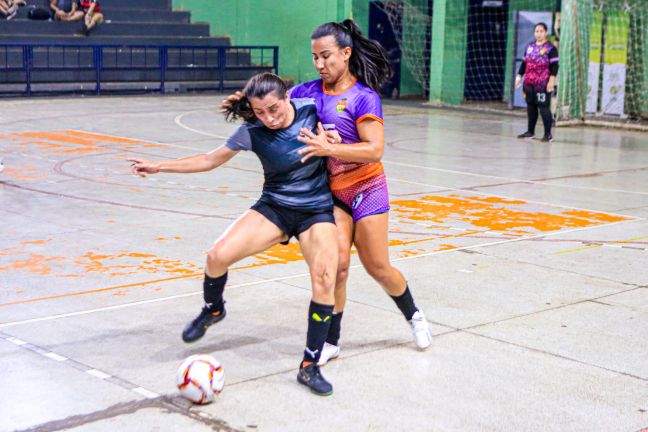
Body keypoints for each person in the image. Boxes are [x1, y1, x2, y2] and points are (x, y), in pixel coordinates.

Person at [129, 73, 339, 396]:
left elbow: (343, 127)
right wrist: (159, 167)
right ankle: (214, 309)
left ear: (287, 97)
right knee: (217, 256)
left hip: (315, 209)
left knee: (325, 277)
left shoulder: (312, 109)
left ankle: (309, 366)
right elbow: (208, 160)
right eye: (260, 112)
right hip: (276, 207)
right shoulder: (251, 132)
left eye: (274, 109)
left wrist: (335, 143)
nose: (268, 118)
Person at [271, 20, 433, 365]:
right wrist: (246, 101)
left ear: (345, 54)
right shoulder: (306, 92)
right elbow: (276, 107)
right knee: (339, 265)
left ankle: (414, 314)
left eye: (326, 56)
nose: (319, 64)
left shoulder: (363, 97)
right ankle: (331, 340)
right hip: (334, 194)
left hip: (367, 188)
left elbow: (374, 150)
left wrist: (331, 148)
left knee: (377, 266)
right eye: (314, 57)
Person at [515, 22, 559, 142]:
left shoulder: (550, 48)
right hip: (529, 82)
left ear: (545, 33)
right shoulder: (529, 46)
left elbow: (555, 66)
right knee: (531, 107)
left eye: (541, 31)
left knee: (544, 107)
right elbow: (524, 63)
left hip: (542, 83)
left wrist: (551, 81)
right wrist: (519, 77)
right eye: (536, 31)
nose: (538, 33)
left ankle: (548, 134)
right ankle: (530, 132)